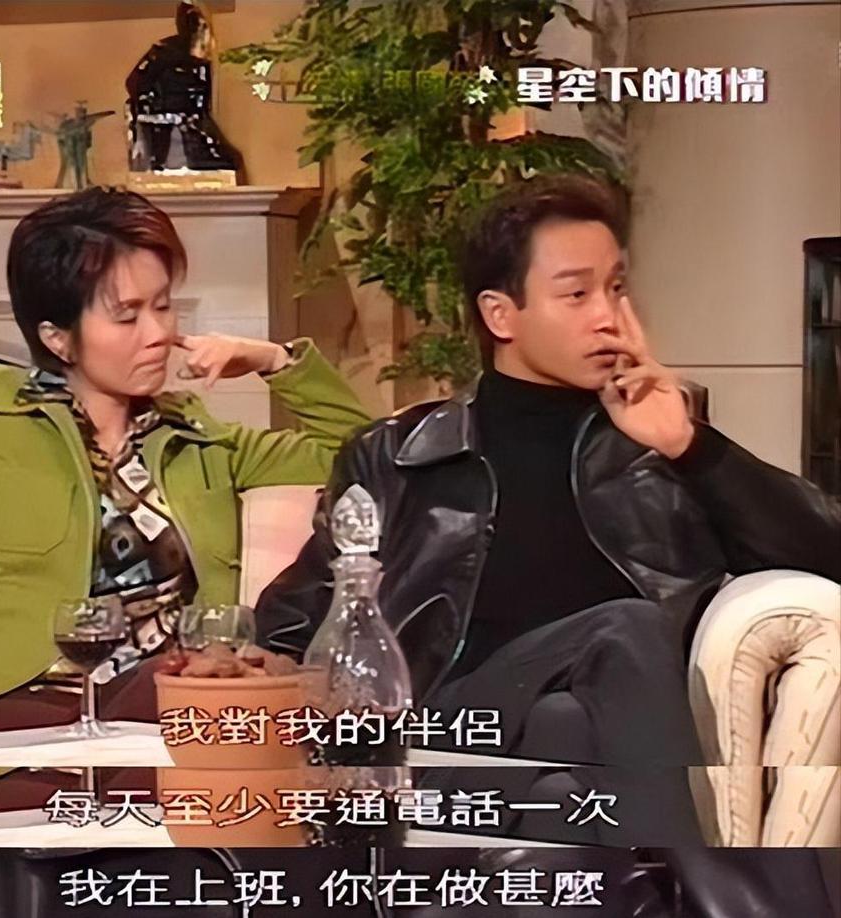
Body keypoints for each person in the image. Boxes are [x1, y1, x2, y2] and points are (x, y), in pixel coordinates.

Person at [254, 175, 839, 910]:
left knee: (568, 741)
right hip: (449, 739)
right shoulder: (396, 457)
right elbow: (290, 625)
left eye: (617, 288)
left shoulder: (658, 445)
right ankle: (742, 899)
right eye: (577, 294)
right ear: (500, 313)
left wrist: (689, 446)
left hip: (584, 752)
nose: (609, 317)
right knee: (623, 628)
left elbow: (825, 553)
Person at [0, 186, 370, 817]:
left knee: (228, 828)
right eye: (127, 316)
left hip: (168, 711)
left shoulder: (196, 437)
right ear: (58, 337)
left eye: (163, 306)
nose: (159, 334)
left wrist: (274, 360)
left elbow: (368, 457)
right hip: (16, 711)